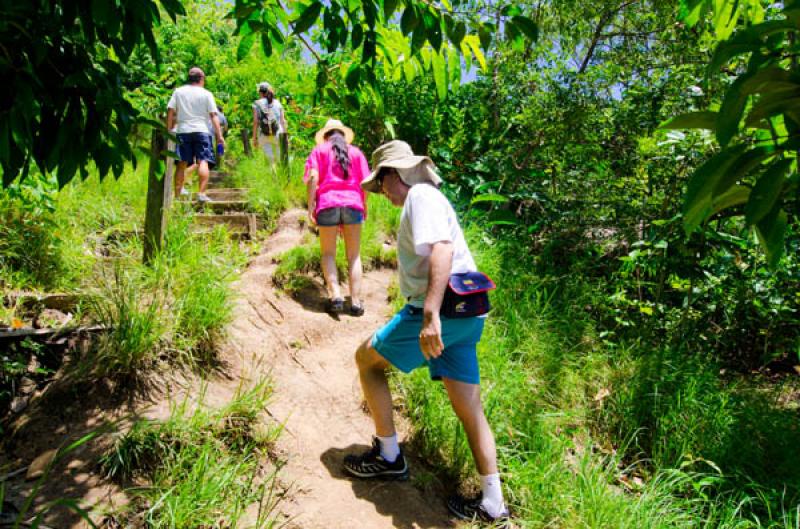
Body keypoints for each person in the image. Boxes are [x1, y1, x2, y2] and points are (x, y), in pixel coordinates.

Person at [343, 140, 510, 523]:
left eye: (380, 183)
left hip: (443, 312)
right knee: (470, 408)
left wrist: (430, 315)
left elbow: (441, 250)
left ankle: (388, 456)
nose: (380, 192)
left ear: (393, 175)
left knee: (366, 359)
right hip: (469, 314)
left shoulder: (420, 196)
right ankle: (492, 502)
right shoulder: (429, 198)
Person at [304, 119, 370, 315]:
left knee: (328, 254)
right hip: (353, 204)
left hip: (327, 204)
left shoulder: (319, 151)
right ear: (342, 134)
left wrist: (310, 207)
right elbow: (366, 182)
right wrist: (363, 204)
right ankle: (356, 303)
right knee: (354, 255)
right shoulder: (356, 152)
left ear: (325, 136)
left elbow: (313, 177)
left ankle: (336, 297)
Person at [166, 67, 225, 202]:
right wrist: (219, 136)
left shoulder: (178, 92)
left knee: (181, 163)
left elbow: (170, 110)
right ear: (202, 79)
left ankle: (178, 196)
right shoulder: (206, 94)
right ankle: (201, 194)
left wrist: (168, 130)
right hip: (202, 131)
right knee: (203, 161)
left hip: (183, 131)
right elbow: (214, 116)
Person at [251, 82, 288, 163]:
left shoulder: (256, 103)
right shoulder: (277, 103)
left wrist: (254, 139)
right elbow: (283, 121)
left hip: (264, 135)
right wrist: (285, 137)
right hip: (278, 134)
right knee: (280, 161)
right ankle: (282, 175)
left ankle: (272, 175)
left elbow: (255, 122)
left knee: (270, 162)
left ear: (260, 92)